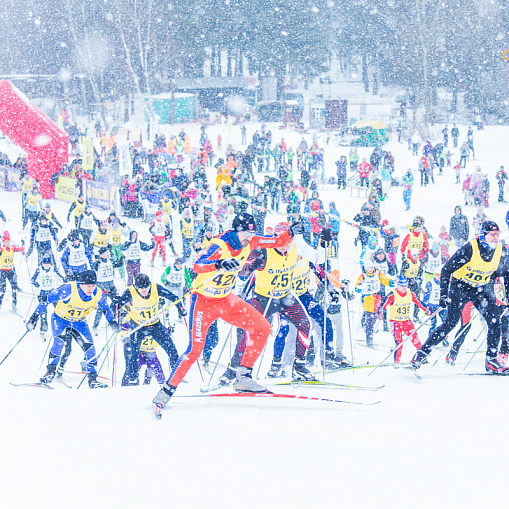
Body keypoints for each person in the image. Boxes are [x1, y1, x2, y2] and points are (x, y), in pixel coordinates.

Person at [152, 213, 298, 412]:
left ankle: (244, 377)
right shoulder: (219, 245)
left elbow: (277, 241)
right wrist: (219, 264)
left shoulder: (252, 242)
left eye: (252, 233)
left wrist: (290, 233)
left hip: (226, 300)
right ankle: (165, 392)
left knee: (263, 327)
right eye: (246, 233)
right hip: (203, 302)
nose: (249, 237)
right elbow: (197, 265)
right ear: (237, 231)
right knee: (195, 349)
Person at [411, 221, 509, 373]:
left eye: (497, 234)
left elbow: (507, 274)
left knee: (495, 320)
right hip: (461, 287)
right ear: (483, 235)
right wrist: (443, 295)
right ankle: (421, 353)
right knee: (451, 322)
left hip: (481, 288)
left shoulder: (502, 251)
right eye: (492, 234)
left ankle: (491, 360)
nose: (495, 237)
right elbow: (446, 270)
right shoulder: (471, 248)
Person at [26, 270, 120, 388]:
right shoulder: (68, 290)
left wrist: (112, 322)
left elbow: (106, 308)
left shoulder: (97, 293)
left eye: (93, 285)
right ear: (81, 284)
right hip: (61, 319)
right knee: (59, 343)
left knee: (90, 348)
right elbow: (46, 299)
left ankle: (92, 380)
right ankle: (50, 372)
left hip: (79, 322)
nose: (91, 288)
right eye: (88, 285)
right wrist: (34, 317)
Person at [116, 273, 184, 385]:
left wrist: (180, 308)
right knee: (134, 352)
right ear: (136, 287)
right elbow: (117, 304)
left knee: (171, 349)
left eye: (146, 287)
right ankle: (132, 380)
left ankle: (177, 375)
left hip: (154, 325)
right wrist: (116, 307)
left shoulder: (155, 288)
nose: (144, 290)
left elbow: (174, 297)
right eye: (141, 288)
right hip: (138, 326)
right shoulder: (130, 291)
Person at [379, 275, 427, 365]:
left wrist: (426, 309)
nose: (404, 288)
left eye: (405, 285)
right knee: (399, 343)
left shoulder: (410, 293)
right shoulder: (392, 295)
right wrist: (380, 313)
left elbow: (418, 302)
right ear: (397, 285)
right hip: (395, 322)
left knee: (416, 340)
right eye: (401, 285)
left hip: (406, 321)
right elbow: (383, 305)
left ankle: (423, 359)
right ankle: (396, 363)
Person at [355, 260, 394, 348]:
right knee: (370, 318)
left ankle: (369, 330)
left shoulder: (378, 273)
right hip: (368, 299)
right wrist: (360, 285)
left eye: (371, 267)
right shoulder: (362, 276)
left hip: (377, 298)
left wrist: (391, 282)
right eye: (368, 268)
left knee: (376, 316)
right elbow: (357, 288)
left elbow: (385, 280)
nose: (370, 269)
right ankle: (369, 339)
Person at [31, 255, 64, 334]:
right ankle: (43, 328)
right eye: (45, 263)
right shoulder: (39, 270)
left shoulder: (53, 269)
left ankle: (61, 326)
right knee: (43, 312)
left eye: (48, 263)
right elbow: (32, 279)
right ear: (42, 263)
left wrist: (64, 280)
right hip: (42, 293)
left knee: (58, 309)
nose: (47, 265)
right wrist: (36, 283)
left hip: (52, 292)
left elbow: (59, 277)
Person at [0, 231, 24, 312]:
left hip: (11, 271)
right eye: (6, 241)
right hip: (2, 271)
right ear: (3, 241)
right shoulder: (1, 249)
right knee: (2, 290)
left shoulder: (12, 248)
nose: (7, 243)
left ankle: (14, 306)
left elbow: (20, 249)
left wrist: (22, 248)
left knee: (14, 288)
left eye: (8, 241)